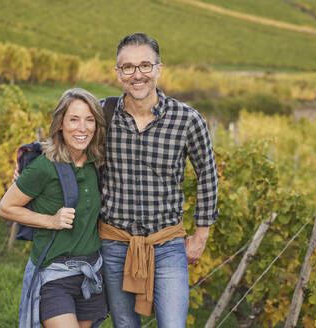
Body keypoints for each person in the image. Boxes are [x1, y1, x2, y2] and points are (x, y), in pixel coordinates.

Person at [98, 33, 218, 328]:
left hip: (167, 245)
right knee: (125, 325)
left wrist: (200, 237)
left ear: (159, 69)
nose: (137, 75)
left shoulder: (187, 119)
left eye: (145, 66)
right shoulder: (101, 114)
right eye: (128, 67)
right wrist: (26, 166)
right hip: (114, 244)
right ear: (118, 73)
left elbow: (208, 175)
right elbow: (64, 143)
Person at [0, 88, 108, 328]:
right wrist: (50, 221)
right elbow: (5, 207)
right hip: (55, 274)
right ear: (60, 124)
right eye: (74, 119)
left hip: (91, 273)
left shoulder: (96, 162)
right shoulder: (44, 166)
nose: (83, 128)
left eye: (90, 120)